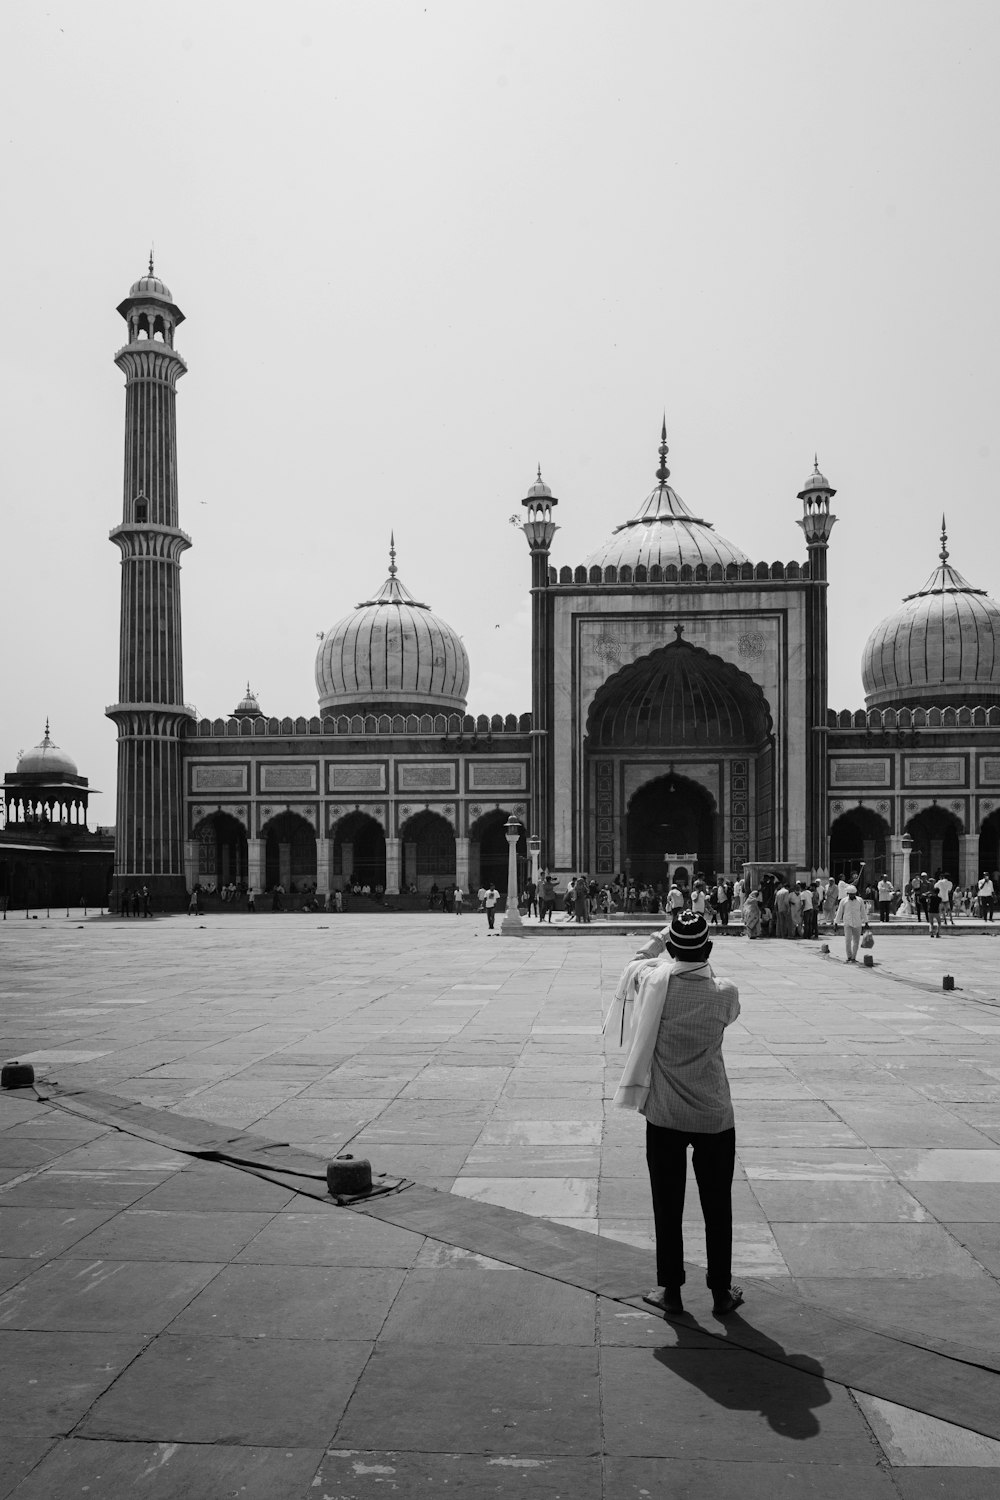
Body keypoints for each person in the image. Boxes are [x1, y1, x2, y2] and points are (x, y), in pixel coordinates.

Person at [609, 909, 744, 1319]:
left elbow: (636, 961)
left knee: (667, 1203)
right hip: (714, 1117)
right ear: (708, 948)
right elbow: (730, 1013)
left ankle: (671, 1290)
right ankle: (721, 1292)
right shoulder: (725, 993)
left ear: (670, 949)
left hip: (665, 1115)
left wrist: (659, 939)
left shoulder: (653, 985)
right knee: (717, 1204)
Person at [834, 884, 866, 962]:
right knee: (848, 940)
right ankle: (849, 956)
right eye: (851, 894)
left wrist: (866, 921)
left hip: (857, 923)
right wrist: (836, 922)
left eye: (853, 894)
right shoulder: (843, 901)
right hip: (847, 923)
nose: (852, 896)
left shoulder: (860, 900)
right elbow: (839, 912)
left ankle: (853, 957)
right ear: (848, 894)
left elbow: (863, 911)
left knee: (856, 941)